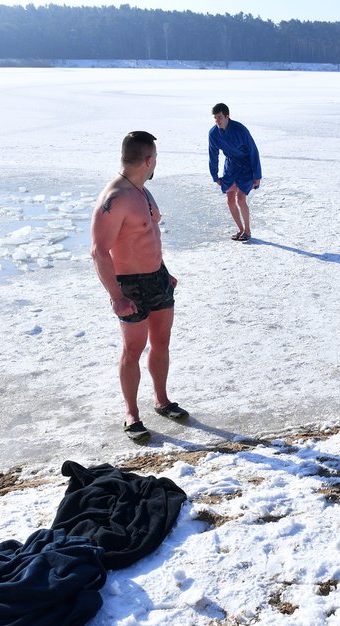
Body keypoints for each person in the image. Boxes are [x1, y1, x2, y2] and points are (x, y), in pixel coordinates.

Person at [90, 130, 188, 442]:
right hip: (130, 286)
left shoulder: (142, 191)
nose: (157, 163)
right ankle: (132, 413)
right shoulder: (115, 198)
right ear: (148, 160)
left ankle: (161, 400)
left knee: (162, 342)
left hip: (157, 278)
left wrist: (164, 271)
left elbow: (148, 238)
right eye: (156, 158)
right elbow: (98, 251)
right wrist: (116, 296)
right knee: (133, 349)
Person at [208, 103, 262, 241]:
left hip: (246, 166)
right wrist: (215, 176)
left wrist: (257, 175)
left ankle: (248, 231)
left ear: (227, 116)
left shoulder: (240, 129)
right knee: (230, 200)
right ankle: (240, 229)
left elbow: (253, 151)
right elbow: (213, 155)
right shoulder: (213, 133)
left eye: (219, 117)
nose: (217, 121)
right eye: (215, 118)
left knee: (241, 199)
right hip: (230, 166)